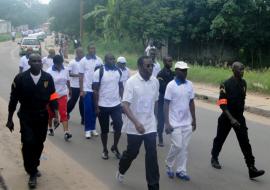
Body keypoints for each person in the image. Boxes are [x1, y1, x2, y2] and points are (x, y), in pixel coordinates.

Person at [6, 53, 58, 188]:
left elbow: (53, 97)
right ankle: (32, 172)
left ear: (42, 63)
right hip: (26, 115)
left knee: (39, 142)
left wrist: (56, 115)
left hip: (42, 116)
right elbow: (13, 99)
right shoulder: (20, 78)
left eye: (39, 61)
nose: (36, 63)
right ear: (28, 63)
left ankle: (34, 165)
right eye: (33, 61)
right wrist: (10, 119)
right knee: (28, 142)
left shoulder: (48, 78)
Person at [211, 61, 265, 179]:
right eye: (240, 69)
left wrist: (239, 116)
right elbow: (222, 104)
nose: (243, 71)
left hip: (239, 118)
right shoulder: (225, 84)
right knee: (220, 139)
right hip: (227, 117)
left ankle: (251, 168)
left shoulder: (244, 83)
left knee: (245, 143)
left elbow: (242, 99)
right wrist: (231, 119)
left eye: (243, 69)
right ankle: (214, 157)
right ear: (233, 70)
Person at [117, 56, 160, 190]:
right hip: (134, 126)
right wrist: (136, 123)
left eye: (152, 65)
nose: (151, 68)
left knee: (152, 155)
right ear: (140, 67)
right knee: (132, 153)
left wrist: (156, 119)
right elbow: (124, 105)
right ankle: (121, 169)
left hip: (150, 125)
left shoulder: (155, 82)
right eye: (148, 66)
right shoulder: (131, 82)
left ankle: (153, 186)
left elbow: (156, 101)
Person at [164, 61, 196, 181]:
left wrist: (194, 119)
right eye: (182, 70)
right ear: (176, 71)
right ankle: (169, 163)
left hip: (186, 122)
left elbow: (191, 102)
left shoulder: (190, 85)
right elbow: (166, 104)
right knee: (177, 145)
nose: (185, 72)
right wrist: (167, 123)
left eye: (186, 70)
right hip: (174, 122)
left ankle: (181, 170)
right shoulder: (171, 85)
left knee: (184, 147)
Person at [93, 53, 124, 160]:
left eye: (114, 59)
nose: (113, 61)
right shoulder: (99, 72)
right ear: (105, 60)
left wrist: (123, 101)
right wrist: (96, 107)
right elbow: (95, 90)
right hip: (102, 105)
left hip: (116, 105)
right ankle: (105, 149)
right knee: (105, 130)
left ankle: (114, 147)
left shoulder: (119, 71)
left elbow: (120, 87)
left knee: (119, 127)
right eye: (110, 59)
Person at [79, 43, 103, 138]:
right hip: (87, 89)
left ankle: (93, 128)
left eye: (94, 48)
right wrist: (81, 90)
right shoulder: (83, 61)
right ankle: (87, 130)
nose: (93, 50)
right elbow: (81, 76)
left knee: (95, 110)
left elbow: (102, 74)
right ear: (88, 50)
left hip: (96, 89)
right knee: (88, 110)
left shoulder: (99, 60)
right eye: (91, 48)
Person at [46, 55, 72, 141]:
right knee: (50, 114)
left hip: (63, 94)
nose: (60, 65)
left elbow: (68, 81)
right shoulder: (49, 72)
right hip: (52, 95)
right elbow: (46, 85)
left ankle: (66, 132)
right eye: (58, 64)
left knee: (63, 113)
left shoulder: (65, 70)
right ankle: (50, 128)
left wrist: (70, 89)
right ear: (54, 63)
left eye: (61, 63)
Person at [156, 56, 174, 146]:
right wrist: (172, 87)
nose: (171, 62)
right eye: (169, 61)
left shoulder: (173, 73)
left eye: (171, 61)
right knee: (161, 119)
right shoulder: (160, 74)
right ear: (164, 62)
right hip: (162, 99)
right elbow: (162, 88)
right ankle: (160, 138)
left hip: (171, 99)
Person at [67, 47, 84, 125]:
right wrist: (78, 75)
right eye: (80, 52)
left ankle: (83, 118)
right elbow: (69, 73)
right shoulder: (72, 62)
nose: (82, 54)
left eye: (82, 52)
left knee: (82, 102)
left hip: (83, 85)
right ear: (77, 53)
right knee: (73, 101)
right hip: (75, 85)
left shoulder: (84, 62)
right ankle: (66, 112)